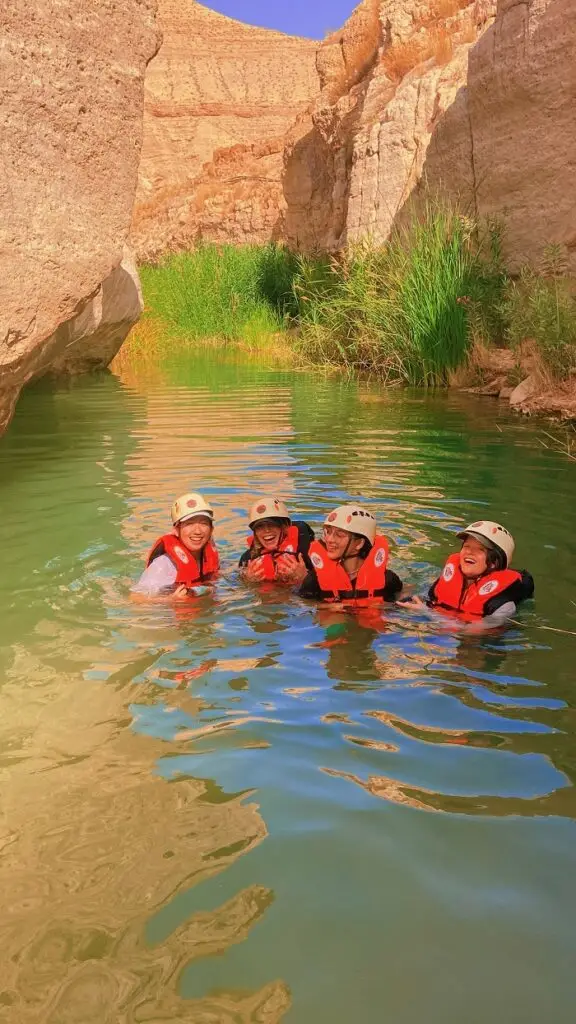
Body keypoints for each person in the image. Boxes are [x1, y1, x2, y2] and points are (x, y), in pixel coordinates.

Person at [401, 520, 534, 622]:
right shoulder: (451, 575)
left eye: (480, 549)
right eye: (466, 546)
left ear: (495, 562)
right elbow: (429, 597)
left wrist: (426, 612)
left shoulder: (503, 605)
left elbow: (470, 633)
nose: (469, 552)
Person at [293, 504, 403, 604]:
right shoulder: (314, 580)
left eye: (339, 535)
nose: (329, 540)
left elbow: (402, 596)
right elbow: (302, 604)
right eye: (328, 532)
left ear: (359, 543)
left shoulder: (387, 579)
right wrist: (324, 608)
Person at [131, 492, 219, 601]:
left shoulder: (207, 554)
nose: (197, 531)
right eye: (189, 524)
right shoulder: (164, 564)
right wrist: (171, 599)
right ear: (176, 530)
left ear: (211, 529)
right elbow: (135, 598)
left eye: (204, 523)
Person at [239, 498, 314, 585]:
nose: (267, 530)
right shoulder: (247, 559)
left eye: (272, 524)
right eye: (260, 526)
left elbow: (323, 586)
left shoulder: (307, 552)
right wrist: (248, 582)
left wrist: (304, 578)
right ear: (255, 532)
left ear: (284, 527)